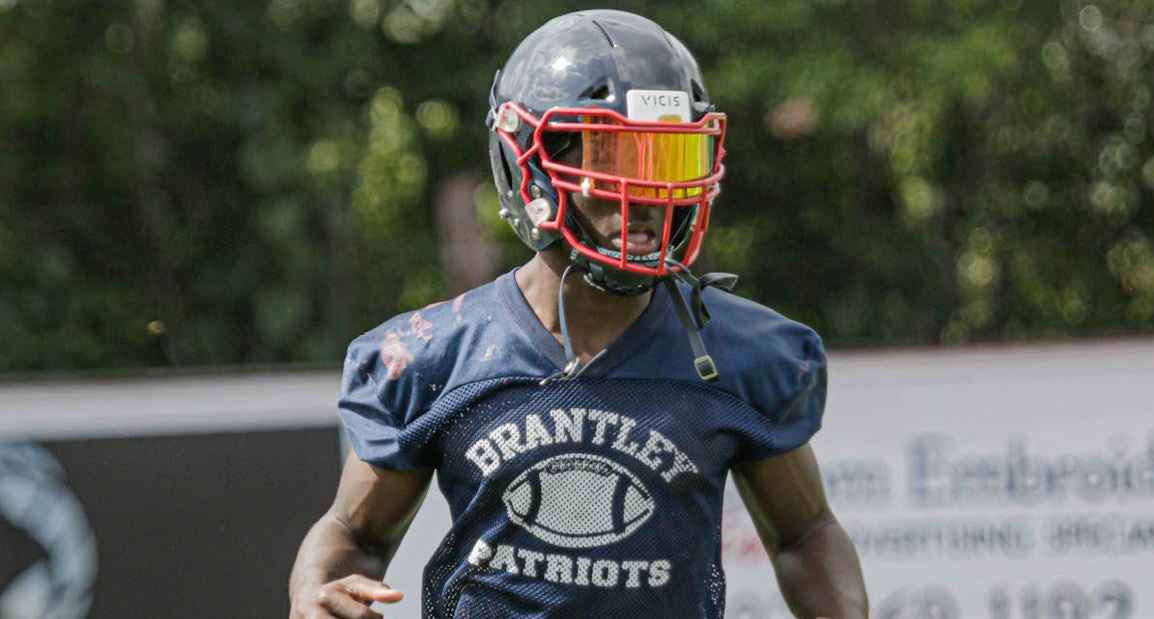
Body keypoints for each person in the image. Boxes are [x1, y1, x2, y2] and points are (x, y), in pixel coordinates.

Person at [289, 9, 867, 618]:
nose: (646, 193)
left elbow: (805, 532)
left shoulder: (743, 353)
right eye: (614, 157)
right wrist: (313, 594)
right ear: (527, 169)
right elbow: (356, 534)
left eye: (668, 160)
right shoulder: (435, 354)